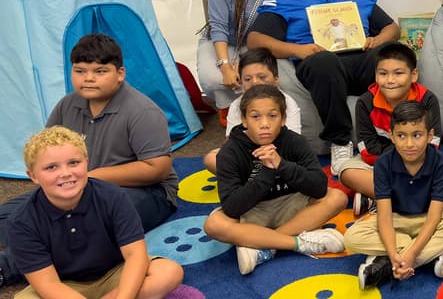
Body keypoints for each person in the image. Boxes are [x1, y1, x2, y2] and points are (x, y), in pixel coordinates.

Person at [0, 33, 179, 288]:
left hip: (146, 193)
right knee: (9, 215)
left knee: (92, 223)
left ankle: (9, 267)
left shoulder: (142, 111)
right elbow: (46, 149)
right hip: (76, 187)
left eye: (100, 71)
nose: (89, 78)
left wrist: (93, 176)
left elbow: (157, 169)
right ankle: (49, 252)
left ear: (120, 73)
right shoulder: (67, 105)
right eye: (80, 71)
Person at [247, 0, 401, 170]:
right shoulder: (285, 1)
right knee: (324, 61)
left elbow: (392, 28)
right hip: (320, 67)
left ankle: (396, 133)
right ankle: (340, 142)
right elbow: (255, 40)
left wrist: (378, 40)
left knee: (392, 54)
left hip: (361, 63)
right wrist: (298, 50)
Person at [7, 126, 183, 298]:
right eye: (51, 167)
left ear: (87, 163)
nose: (65, 173)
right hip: (64, 284)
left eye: (74, 163)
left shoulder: (113, 196)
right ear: (33, 176)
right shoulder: (21, 221)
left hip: (114, 272)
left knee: (168, 272)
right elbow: (48, 284)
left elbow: (135, 255)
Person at [203, 85, 349, 275]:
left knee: (337, 197)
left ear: (283, 119)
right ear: (244, 120)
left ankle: (265, 245)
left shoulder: (295, 141)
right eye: (256, 117)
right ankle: (297, 243)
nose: (264, 124)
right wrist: (266, 172)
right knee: (214, 225)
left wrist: (282, 165)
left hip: (293, 207)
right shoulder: (229, 152)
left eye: (272, 116)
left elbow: (320, 187)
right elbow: (232, 207)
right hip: (252, 212)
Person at [344, 102, 443, 290]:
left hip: (429, 219)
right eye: (401, 136)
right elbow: (384, 217)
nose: (409, 144)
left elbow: (435, 216)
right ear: (392, 136)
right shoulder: (383, 164)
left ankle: (387, 265)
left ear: (430, 135)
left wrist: (407, 256)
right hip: (395, 219)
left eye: (417, 135)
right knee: (351, 238)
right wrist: (397, 250)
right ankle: (427, 256)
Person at [340, 43, 443, 216]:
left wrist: (410, 161)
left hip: (419, 161)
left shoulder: (427, 99)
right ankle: (413, 198)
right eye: (383, 74)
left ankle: (379, 197)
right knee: (347, 172)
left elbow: (432, 143)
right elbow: (367, 149)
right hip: (379, 164)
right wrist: (395, 164)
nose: (390, 80)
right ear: (376, 75)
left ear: (414, 75)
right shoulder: (365, 103)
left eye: (398, 73)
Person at [198, 0, 286, 109]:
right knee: (214, 79)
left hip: (253, 44)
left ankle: (251, 109)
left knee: (255, 76)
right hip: (222, 41)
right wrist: (225, 67)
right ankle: (227, 110)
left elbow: (273, 29)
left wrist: (246, 58)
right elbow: (218, 27)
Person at [203, 48, 303, 174]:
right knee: (212, 159)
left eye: (261, 77)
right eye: (248, 79)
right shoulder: (236, 105)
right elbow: (231, 141)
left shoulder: (287, 103)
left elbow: (294, 141)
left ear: (276, 80)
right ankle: (249, 181)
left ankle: (262, 179)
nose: (255, 82)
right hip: (249, 156)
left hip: (279, 155)